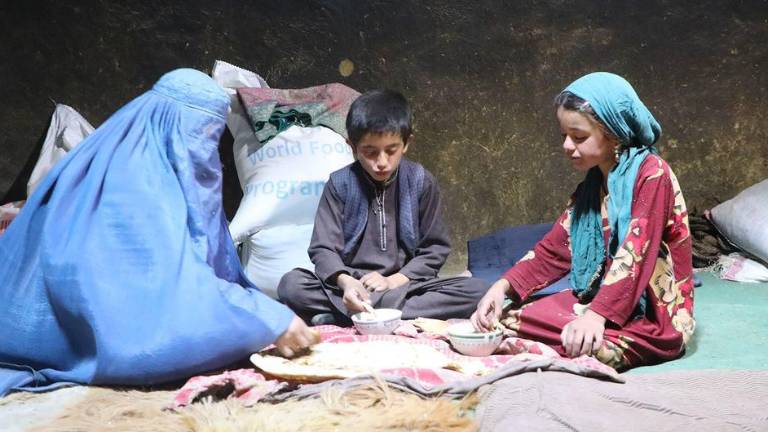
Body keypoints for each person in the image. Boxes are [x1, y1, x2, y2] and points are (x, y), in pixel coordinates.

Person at [0, 69, 317, 397]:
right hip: (61, 329)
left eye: (213, 136)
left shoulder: (151, 161)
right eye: (201, 135)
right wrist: (263, 319)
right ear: (169, 125)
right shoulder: (132, 182)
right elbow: (155, 302)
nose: (206, 150)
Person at [471, 72, 694, 371]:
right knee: (509, 318)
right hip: (602, 299)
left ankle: (587, 336)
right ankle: (573, 335)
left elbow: (635, 253)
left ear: (614, 133)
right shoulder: (591, 186)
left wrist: (595, 316)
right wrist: (502, 288)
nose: (566, 145)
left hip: (651, 311)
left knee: (596, 346)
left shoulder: (653, 174)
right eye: (563, 135)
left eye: (578, 137)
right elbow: (554, 249)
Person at [278, 89, 487, 324]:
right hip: (353, 285)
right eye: (370, 152)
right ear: (352, 146)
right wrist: (346, 282)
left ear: (407, 143)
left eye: (391, 150)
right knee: (291, 285)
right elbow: (323, 248)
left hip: (404, 283)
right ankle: (376, 312)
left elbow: (434, 249)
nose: (382, 162)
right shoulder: (340, 184)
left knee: (476, 289)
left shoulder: (421, 181)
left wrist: (393, 281)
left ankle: (347, 315)